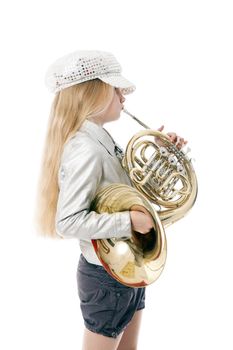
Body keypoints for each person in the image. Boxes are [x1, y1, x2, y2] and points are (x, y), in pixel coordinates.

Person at [35, 50, 187, 350]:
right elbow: (67, 222)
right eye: (116, 89)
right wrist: (129, 221)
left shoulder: (99, 138)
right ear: (94, 92)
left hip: (125, 266)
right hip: (107, 275)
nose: (123, 96)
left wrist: (160, 154)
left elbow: (119, 190)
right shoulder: (85, 148)